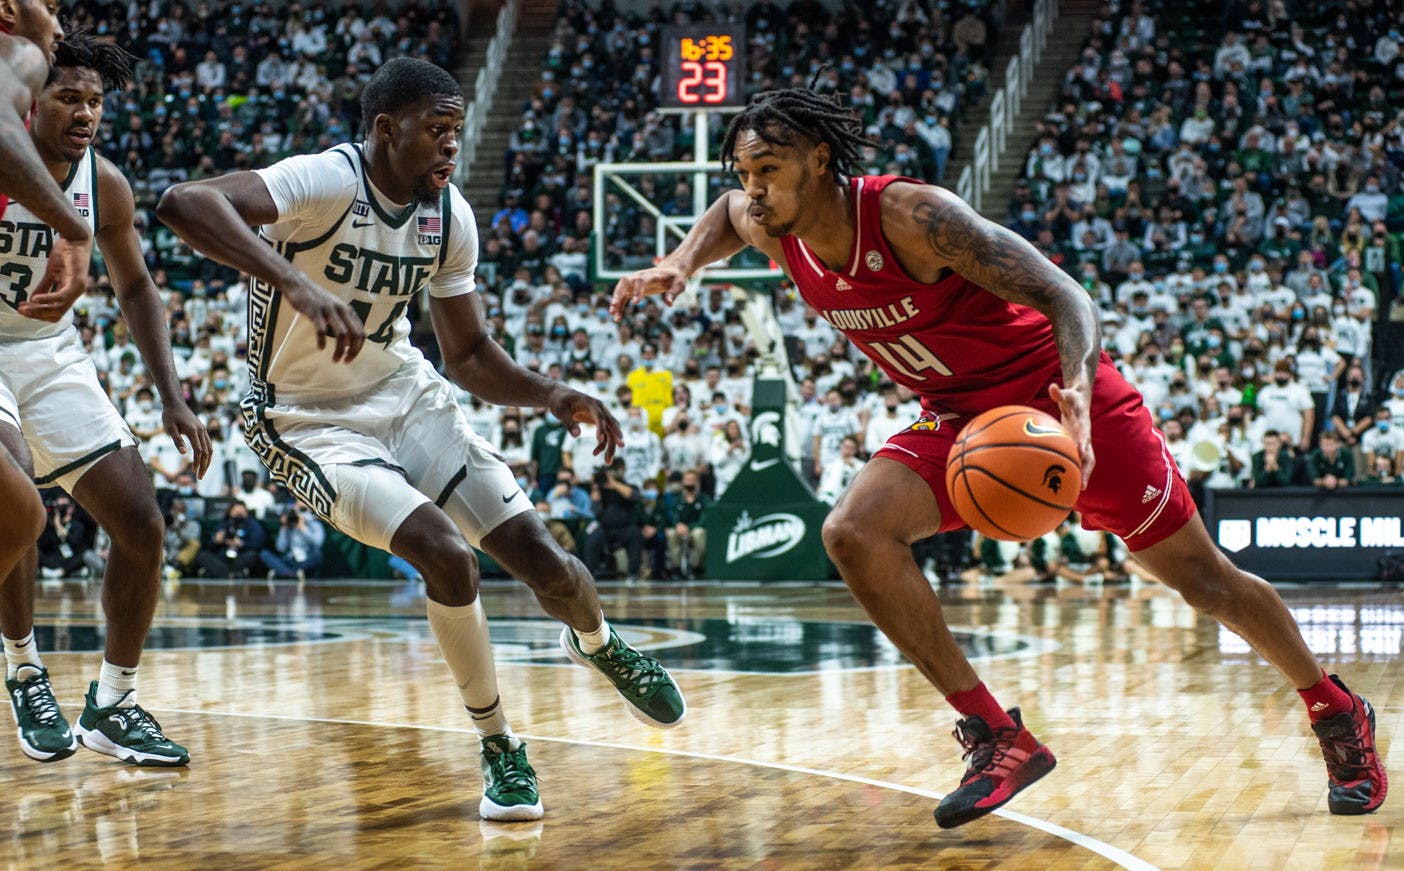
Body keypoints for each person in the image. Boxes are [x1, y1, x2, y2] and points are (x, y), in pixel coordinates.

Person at [611, 86, 1384, 826]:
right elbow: (721, 216)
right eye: (745, 175)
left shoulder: (914, 218)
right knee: (853, 531)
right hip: (961, 421)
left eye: (767, 172)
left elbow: (1068, 297)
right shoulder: (768, 224)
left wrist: (1078, 386)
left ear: (820, 160)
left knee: (1207, 584)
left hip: (1063, 404)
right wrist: (682, 261)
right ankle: (995, 734)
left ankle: (1335, 708)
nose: (752, 192)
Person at [157, 57, 684, 822]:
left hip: (405, 395)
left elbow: (467, 355)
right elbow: (183, 201)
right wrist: (299, 283)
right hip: (304, 419)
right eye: (437, 131)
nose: (450, 148)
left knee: (549, 563)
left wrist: (552, 392)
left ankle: (599, 642)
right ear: (384, 129)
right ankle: (500, 743)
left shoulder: (449, 217)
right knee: (445, 551)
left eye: (457, 133)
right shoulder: (323, 181)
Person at [2, 32, 207, 768]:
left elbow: (137, 287)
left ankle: (113, 703)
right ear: (29, 99)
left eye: (95, 100)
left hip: (45, 351)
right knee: (15, 494)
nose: (86, 111)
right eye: (68, 97)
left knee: (142, 522)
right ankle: (25, 670)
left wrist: (172, 397)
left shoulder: (106, 184)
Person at [0, 0, 91, 632]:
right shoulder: (20, 56)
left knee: (20, 512)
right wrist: (70, 225)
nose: (59, 22)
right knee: (19, 511)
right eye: (50, 4)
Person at [196, 501, 265, 578]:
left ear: (246, 513)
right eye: (236, 512)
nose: (238, 514)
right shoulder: (222, 524)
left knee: (253, 555)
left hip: (240, 556)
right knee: (202, 555)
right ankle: (232, 574)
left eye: (241, 512)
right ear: (229, 512)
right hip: (221, 558)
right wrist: (215, 541)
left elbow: (258, 543)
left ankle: (219, 574)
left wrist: (242, 543)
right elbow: (208, 545)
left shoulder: (252, 525)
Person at [261, 503, 326, 579]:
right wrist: (284, 527)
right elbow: (280, 548)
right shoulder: (288, 525)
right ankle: (292, 573)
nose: (298, 513)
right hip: (290, 559)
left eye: (302, 510)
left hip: (306, 558)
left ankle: (284, 572)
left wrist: (303, 528)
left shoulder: (314, 524)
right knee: (264, 554)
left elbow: (318, 543)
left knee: (317, 554)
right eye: (296, 511)